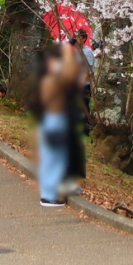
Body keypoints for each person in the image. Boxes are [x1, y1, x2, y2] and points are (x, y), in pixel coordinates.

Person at [31, 42, 81, 207]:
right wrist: (68, 52)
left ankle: (48, 194)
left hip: (48, 120)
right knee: (56, 159)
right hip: (56, 121)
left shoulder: (45, 80)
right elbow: (70, 75)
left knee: (49, 158)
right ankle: (49, 196)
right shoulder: (53, 80)